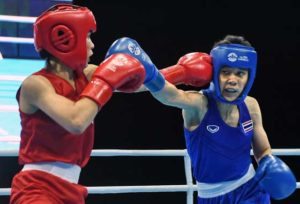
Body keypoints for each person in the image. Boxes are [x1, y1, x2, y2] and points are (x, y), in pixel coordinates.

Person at [104, 35, 297, 203]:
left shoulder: (251, 106)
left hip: (250, 190)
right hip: (211, 196)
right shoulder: (199, 105)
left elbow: (262, 150)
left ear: (249, 77)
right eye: (226, 72)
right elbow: (168, 95)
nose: (232, 79)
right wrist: (150, 69)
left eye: (240, 73)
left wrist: (268, 162)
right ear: (215, 73)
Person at [10, 4, 146, 204]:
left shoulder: (88, 75)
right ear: (64, 38)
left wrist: (181, 72)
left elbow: (140, 84)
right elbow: (76, 121)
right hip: (37, 189)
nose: (92, 45)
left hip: (72, 190)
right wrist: (105, 82)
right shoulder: (36, 85)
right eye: (87, 37)